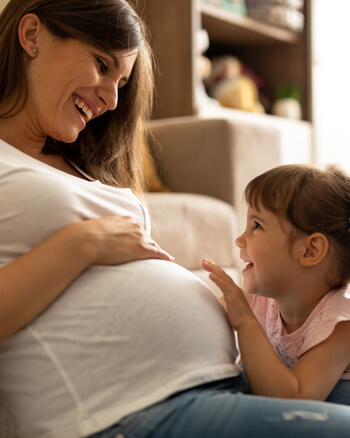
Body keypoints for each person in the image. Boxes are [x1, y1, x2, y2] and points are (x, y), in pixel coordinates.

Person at [1, 1, 350, 437]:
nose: (112, 99)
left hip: (227, 381)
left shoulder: (77, 164)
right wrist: (80, 245)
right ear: (32, 35)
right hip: (131, 409)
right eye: (102, 64)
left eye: (121, 82)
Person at [203, 164, 350, 405]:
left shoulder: (340, 325)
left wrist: (246, 323)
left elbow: (293, 400)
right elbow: (208, 317)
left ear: (310, 250)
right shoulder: (263, 297)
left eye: (256, 226)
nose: (239, 239)